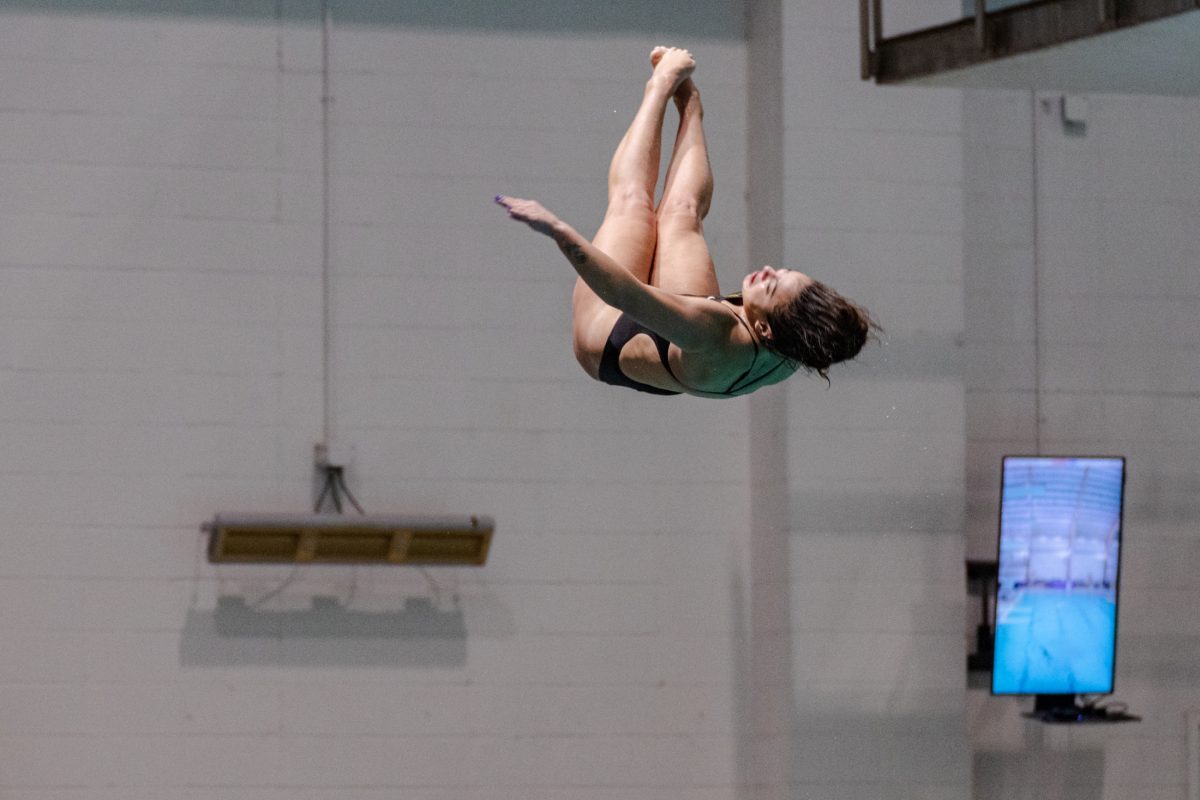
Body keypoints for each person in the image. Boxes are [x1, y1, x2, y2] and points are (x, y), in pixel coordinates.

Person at [497, 46, 878, 398]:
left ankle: (660, 86)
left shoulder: (715, 330)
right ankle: (690, 103)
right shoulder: (802, 343)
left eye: (771, 285)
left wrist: (558, 230)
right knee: (681, 213)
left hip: (605, 340)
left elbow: (624, 294)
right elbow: (837, 333)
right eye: (782, 271)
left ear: (764, 330)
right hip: (688, 351)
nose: (766, 270)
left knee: (633, 206)